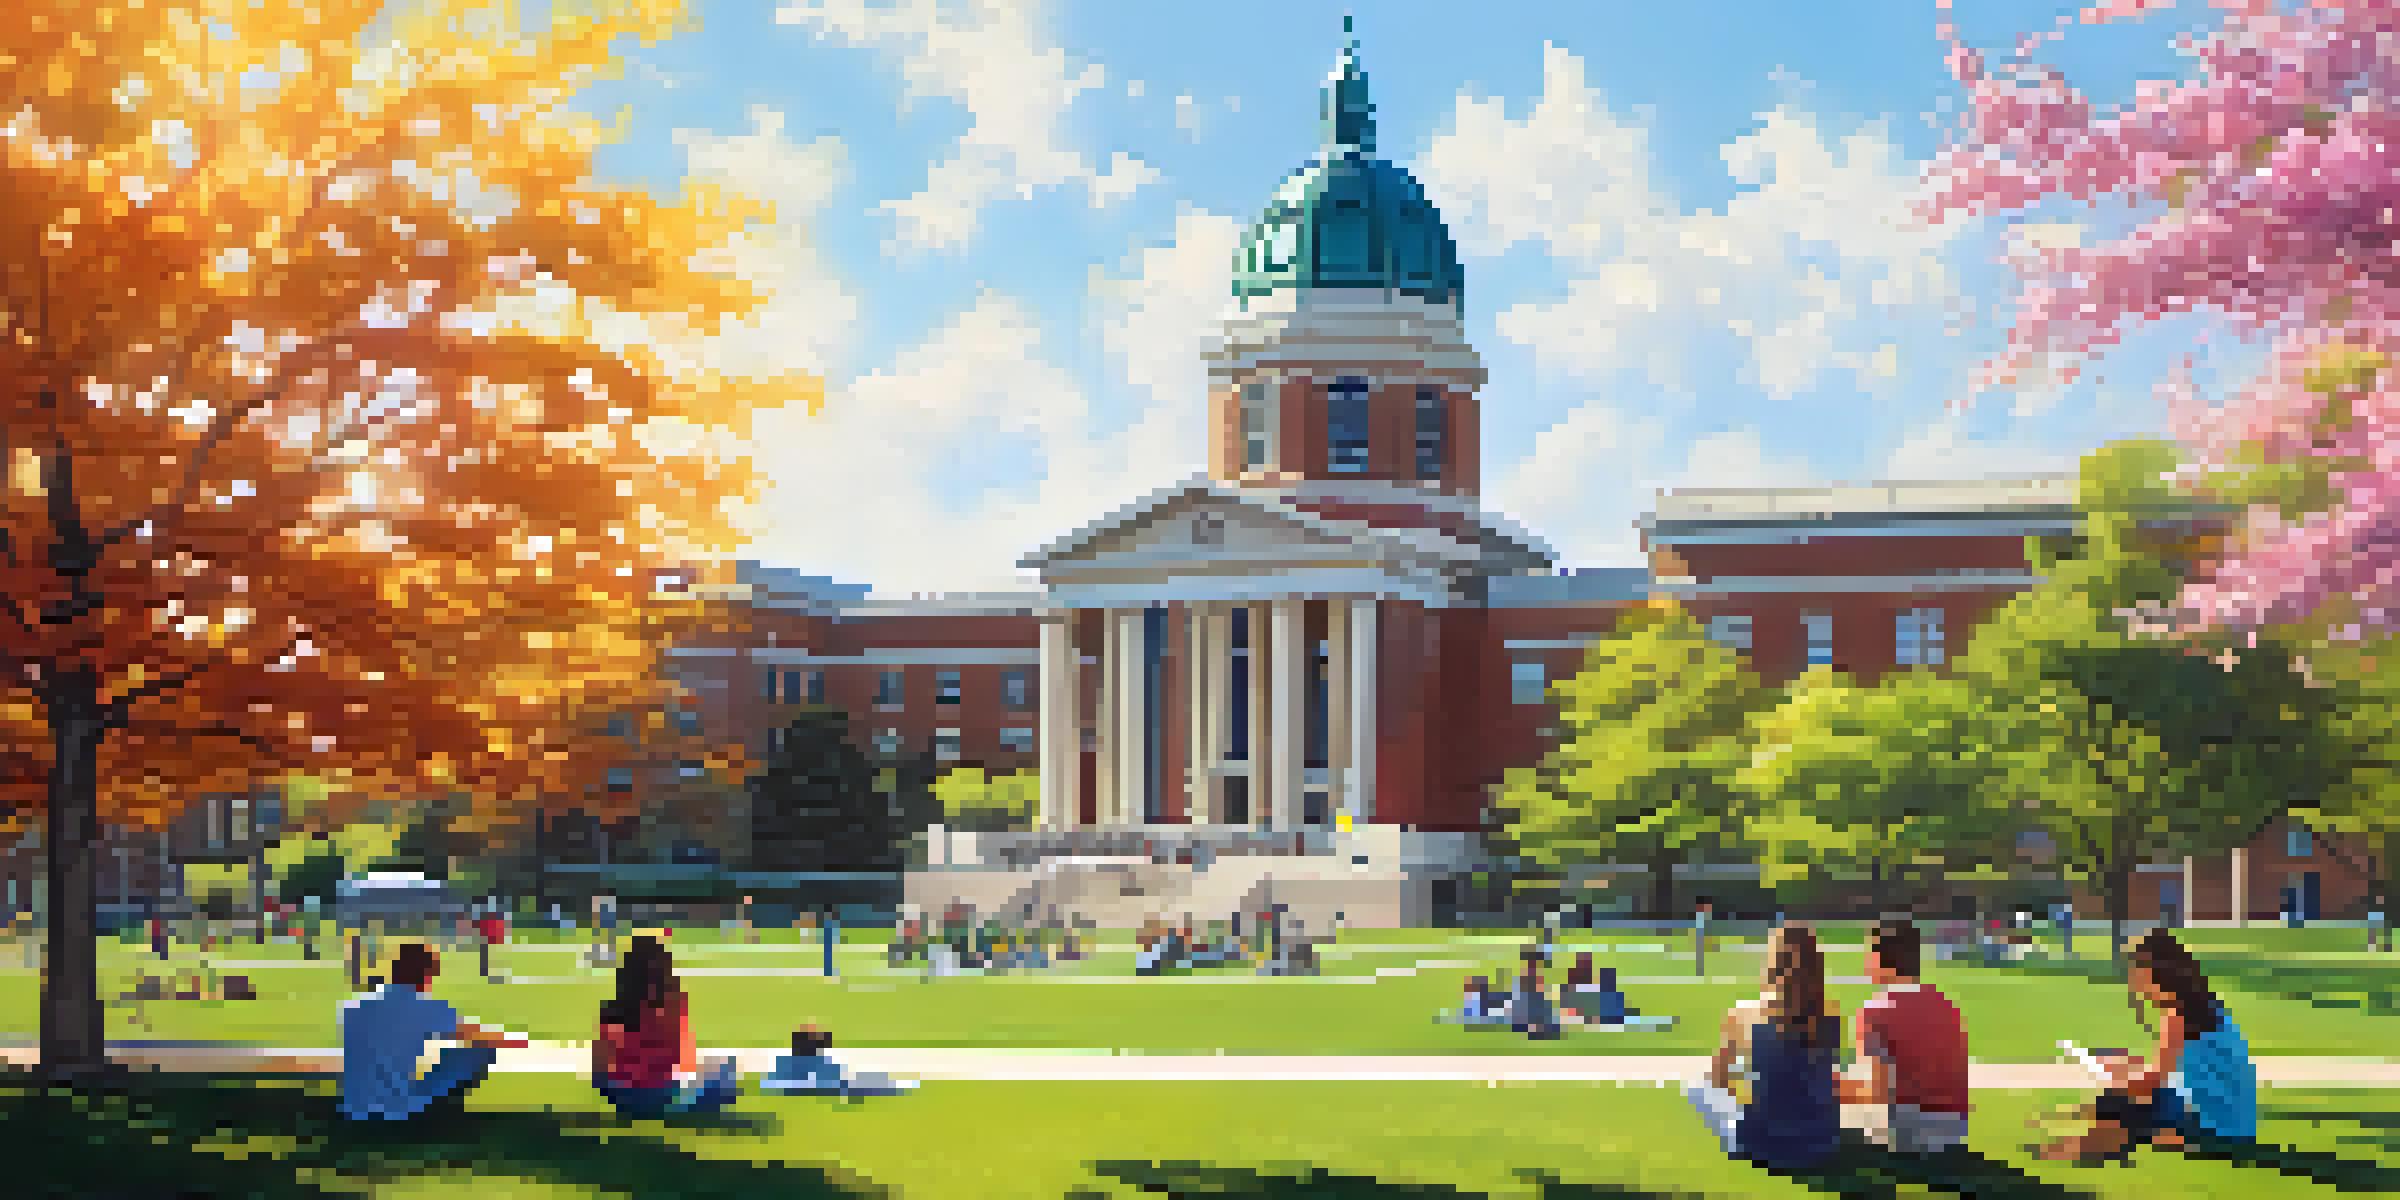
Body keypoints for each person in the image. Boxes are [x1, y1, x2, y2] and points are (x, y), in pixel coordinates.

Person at [2038, 929, 2257, 1162]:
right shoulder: (2211, 1007)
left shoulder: (2177, 1016)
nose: (2135, 984)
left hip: (2216, 1130)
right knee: (2132, 1100)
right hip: (2239, 1128)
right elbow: (2187, 1075)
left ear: (2158, 974)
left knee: (2116, 1101)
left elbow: (2154, 1083)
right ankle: (2145, 1138)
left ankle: (2082, 1152)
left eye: (2137, 975)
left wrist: (2118, 1078)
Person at [1687, 924, 1844, 1170]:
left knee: (1697, 1084)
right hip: (1819, 1143)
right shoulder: (1830, 1016)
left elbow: (1718, 1079)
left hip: (1761, 1145)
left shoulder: (1744, 1013)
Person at [340, 943, 524, 1122]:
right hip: (398, 1110)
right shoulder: (426, 1006)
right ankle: (447, 1116)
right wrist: (518, 1040)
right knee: (478, 1051)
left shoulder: (356, 1004)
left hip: (354, 1109)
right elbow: (480, 1036)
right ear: (427, 974)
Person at [1836, 920, 1969, 1156]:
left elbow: (1876, 1093)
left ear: (1879, 959)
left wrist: (1832, 1086)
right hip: (1955, 1131)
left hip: (1906, 1134)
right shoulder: (1948, 1005)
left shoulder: (1874, 1011)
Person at [594, 935, 739, 1118]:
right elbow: (684, 1060)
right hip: (663, 1096)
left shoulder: (610, 1010)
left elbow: (599, 1072)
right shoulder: (673, 1004)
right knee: (725, 1071)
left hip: (622, 1097)